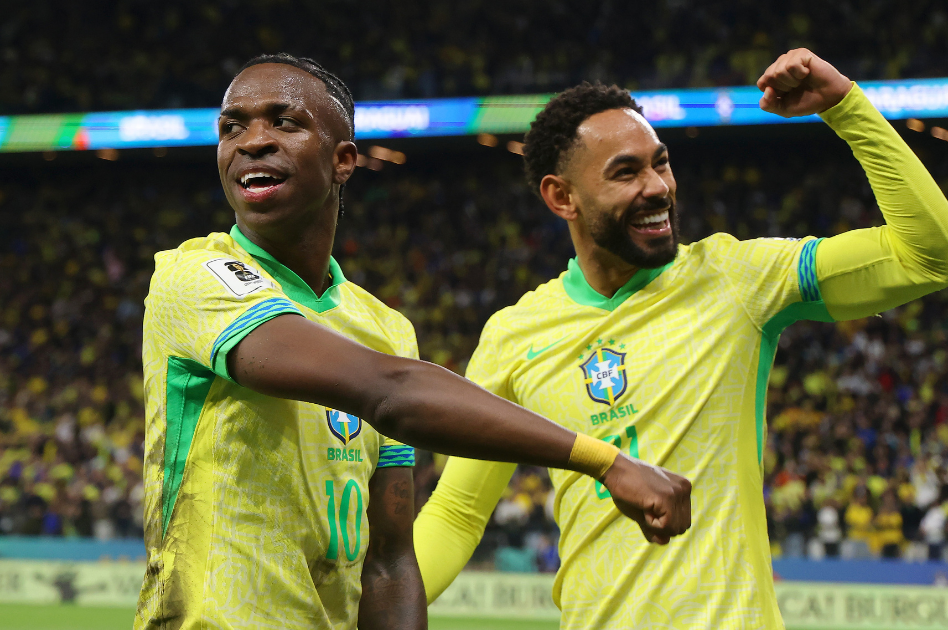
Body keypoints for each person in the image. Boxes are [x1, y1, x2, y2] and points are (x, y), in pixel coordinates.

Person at [413, 48, 948, 628]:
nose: (657, 187)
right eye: (626, 172)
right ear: (562, 198)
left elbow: (934, 256)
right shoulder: (515, 334)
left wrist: (845, 108)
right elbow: (457, 513)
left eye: (661, 163)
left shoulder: (739, 280)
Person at [135, 53, 692, 630]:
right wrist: (603, 460)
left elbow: (388, 562)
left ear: (343, 160)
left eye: (284, 122)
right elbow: (388, 390)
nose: (252, 141)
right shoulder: (194, 277)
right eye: (233, 127)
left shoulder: (384, 328)